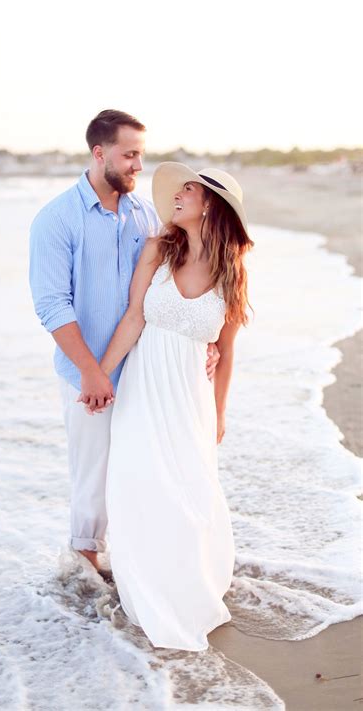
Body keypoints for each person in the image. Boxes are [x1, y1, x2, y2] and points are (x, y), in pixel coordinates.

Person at [29, 111, 220, 579]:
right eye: (129, 154)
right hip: (87, 369)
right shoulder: (56, 219)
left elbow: (175, 281)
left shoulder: (145, 216)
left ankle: (140, 565)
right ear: (100, 154)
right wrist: (92, 371)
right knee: (92, 475)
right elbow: (53, 306)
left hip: (146, 370)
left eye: (141, 154)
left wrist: (202, 336)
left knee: (142, 468)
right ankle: (85, 578)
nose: (138, 165)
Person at [95, 162, 254, 650]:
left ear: (212, 205)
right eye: (181, 189)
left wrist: (221, 413)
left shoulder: (233, 272)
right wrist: (99, 375)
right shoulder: (157, 250)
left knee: (190, 489)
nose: (178, 196)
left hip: (192, 397)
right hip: (145, 387)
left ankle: (186, 581)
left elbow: (225, 353)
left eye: (190, 190)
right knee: (141, 481)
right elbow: (133, 318)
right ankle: (145, 582)